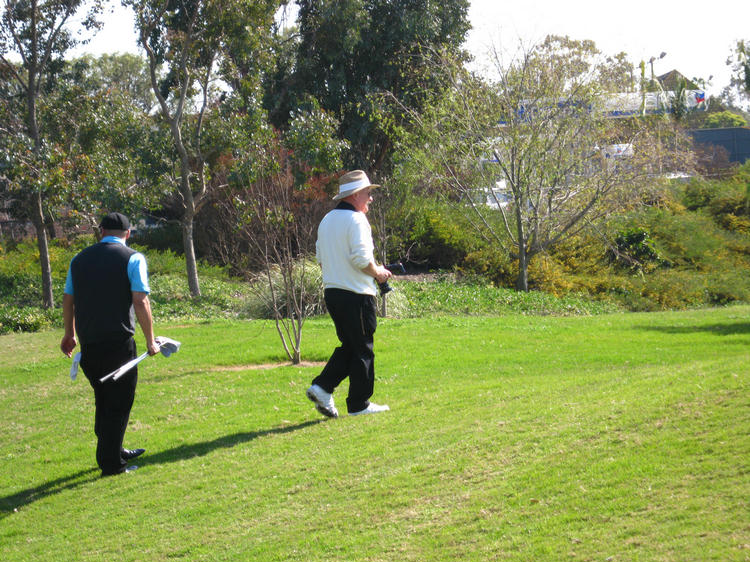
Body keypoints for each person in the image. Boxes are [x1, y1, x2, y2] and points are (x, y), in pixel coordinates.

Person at [60, 212, 160, 476]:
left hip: (89, 344)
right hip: (118, 342)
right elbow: (140, 300)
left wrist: (68, 334)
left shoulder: (78, 259)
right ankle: (111, 464)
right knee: (119, 402)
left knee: (104, 398)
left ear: (101, 231)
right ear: (128, 234)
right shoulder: (133, 258)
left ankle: (115, 449)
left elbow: (68, 300)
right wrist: (151, 340)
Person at [306, 170, 393, 418]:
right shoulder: (356, 220)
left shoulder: (327, 220)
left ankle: (323, 388)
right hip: (357, 294)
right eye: (368, 193)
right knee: (363, 348)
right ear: (355, 195)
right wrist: (378, 273)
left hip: (333, 293)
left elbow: (321, 260)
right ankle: (359, 404)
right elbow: (361, 258)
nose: (370, 198)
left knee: (352, 346)